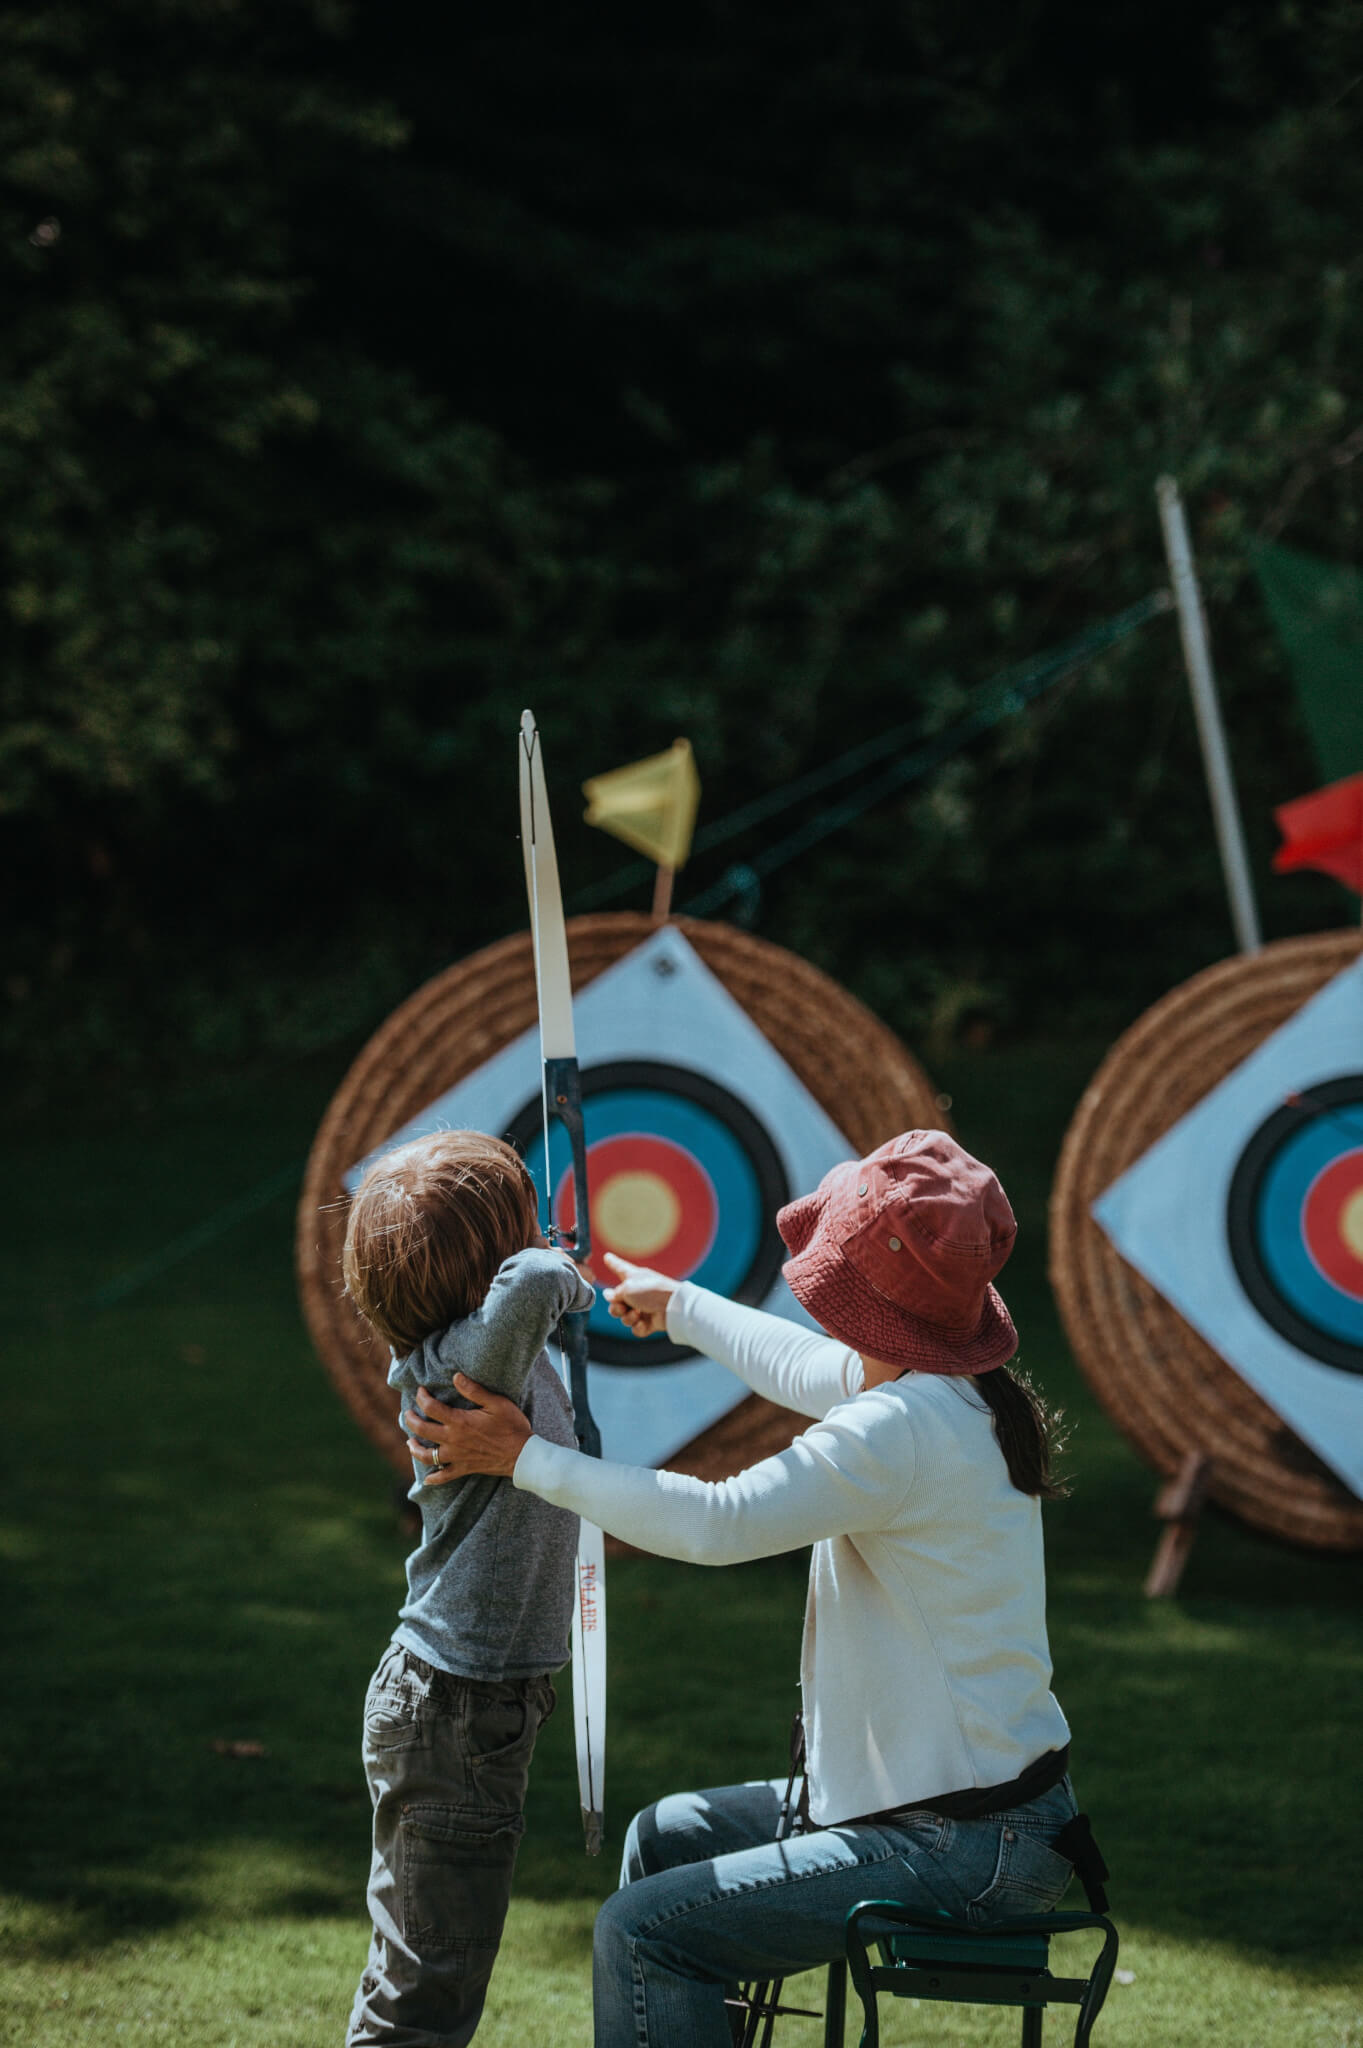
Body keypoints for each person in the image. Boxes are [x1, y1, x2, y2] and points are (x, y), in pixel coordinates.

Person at [407, 1129, 1089, 2048]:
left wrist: (524, 1457)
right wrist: (681, 1304)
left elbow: (716, 1522)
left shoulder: (901, 1429)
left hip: (963, 1845)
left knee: (642, 1933)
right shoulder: (949, 1386)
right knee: (668, 1834)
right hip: (965, 1818)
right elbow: (809, 1368)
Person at [340, 1128, 592, 2048]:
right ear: (492, 1261)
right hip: (457, 1707)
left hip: (466, 1704)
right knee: (426, 1996)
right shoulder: (468, 1368)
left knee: (429, 1973)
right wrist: (569, 1272)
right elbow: (532, 1284)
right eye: (524, 1228)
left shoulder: (479, 1358)